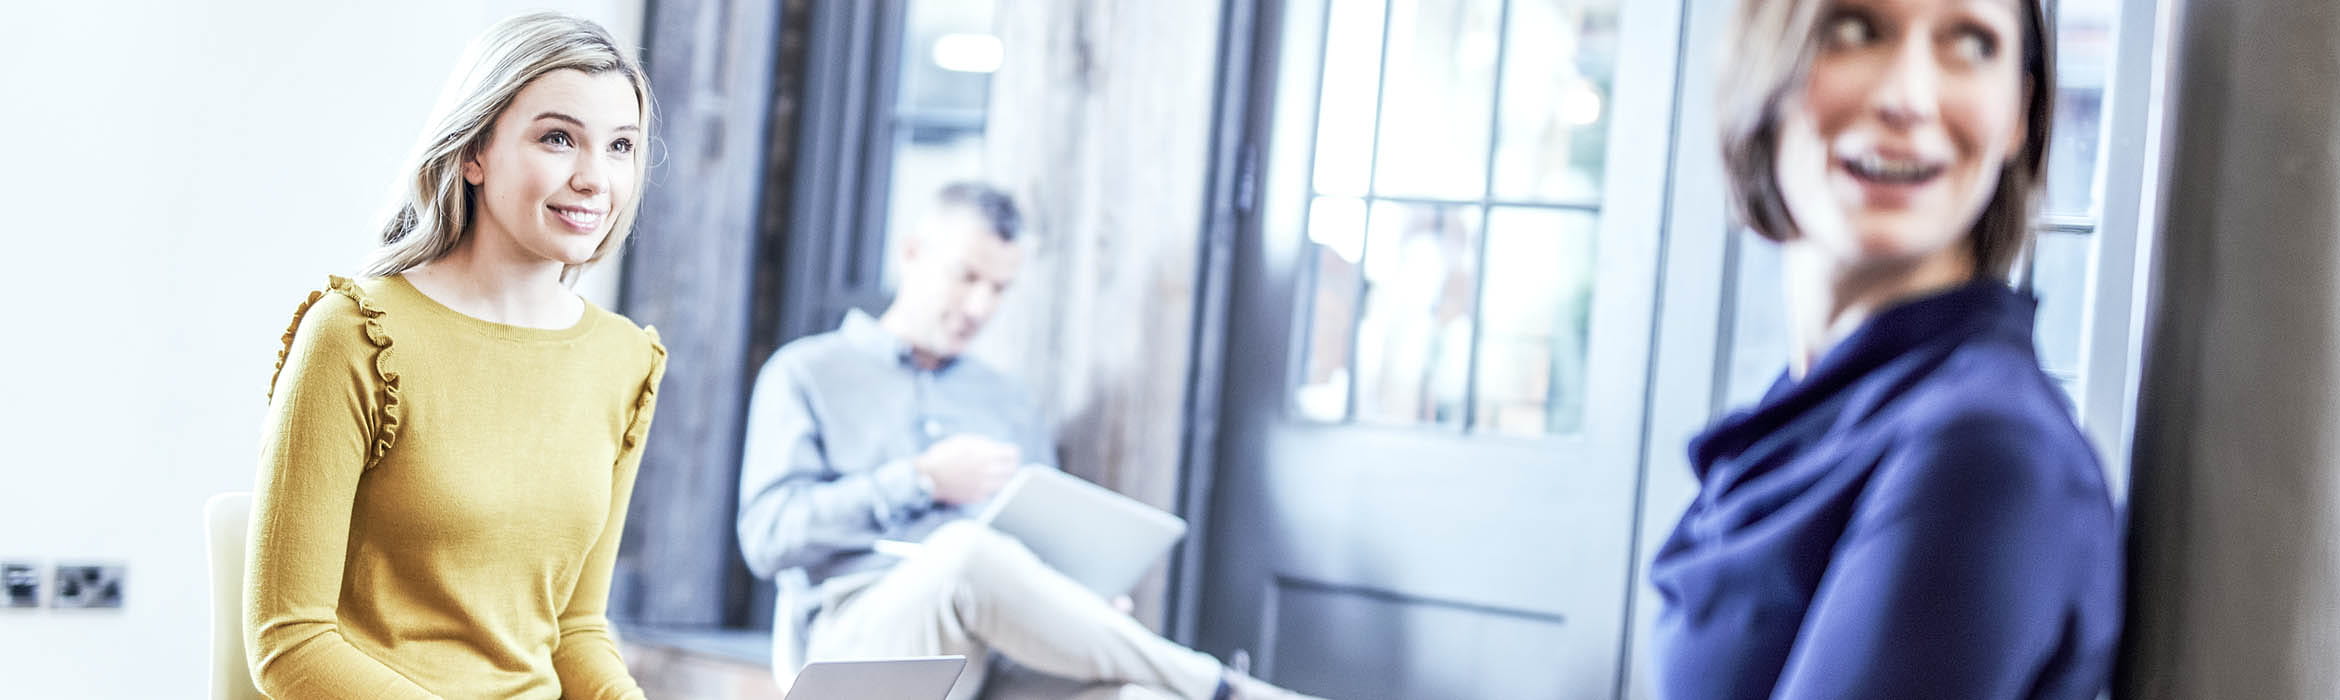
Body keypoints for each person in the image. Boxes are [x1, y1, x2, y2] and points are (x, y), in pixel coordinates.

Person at [1649, 0, 2121, 698]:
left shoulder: (1986, 450)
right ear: (1764, 67)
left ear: (2019, 112)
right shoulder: (1829, 400)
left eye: (1970, 43)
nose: (1907, 98)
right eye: (1854, 29)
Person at [738, 183, 1320, 700]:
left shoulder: (1007, 400)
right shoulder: (806, 372)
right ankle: (1220, 685)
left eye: (998, 289)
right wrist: (919, 480)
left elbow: (1039, 545)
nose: (980, 307)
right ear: (911, 253)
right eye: (967, 277)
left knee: (1132, 693)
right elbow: (766, 537)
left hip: (994, 658)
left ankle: (1191, 684)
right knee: (965, 554)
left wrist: (1074, 605)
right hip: (860, 643)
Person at [243, 13, 663, 699]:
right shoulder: (354, 333)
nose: (595, 177)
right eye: (559, 138)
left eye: (621, 146)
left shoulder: (625, 361)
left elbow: (578, 628)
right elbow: (290, 643)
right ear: (474, 152)